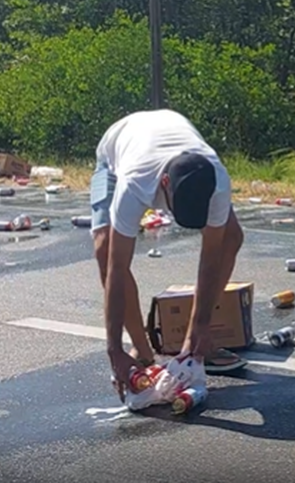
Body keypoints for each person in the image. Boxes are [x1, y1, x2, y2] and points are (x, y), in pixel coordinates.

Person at [91, 109, 247, 400]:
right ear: (165, 187)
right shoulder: (136, 183)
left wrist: (200, 324)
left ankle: (192, 346)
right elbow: (117, 266)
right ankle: (142, 351)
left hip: (171, 136)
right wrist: (114, 348)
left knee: (231, 237)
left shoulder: (218, 183)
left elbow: (211, 257)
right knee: (104, 248)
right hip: (117, 153)